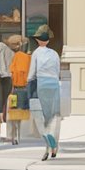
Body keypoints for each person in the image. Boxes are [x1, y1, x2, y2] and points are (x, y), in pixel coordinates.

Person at [28, 25, 61, 160]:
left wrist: (27, 83)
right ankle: (54, 147)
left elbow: (32, 73)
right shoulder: (54, 54)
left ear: (38, 40)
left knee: (43, 117)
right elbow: (58, 71)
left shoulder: (36, 53)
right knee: (54, 116)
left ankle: (47, 146)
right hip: (54, 85)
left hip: (42, 84)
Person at [6, 34, 31, 145]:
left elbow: (12, 72)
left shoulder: (17, 57)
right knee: (22, 113)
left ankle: (12, 136)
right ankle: (19, 136)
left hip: (15, 89)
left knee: (13, 113)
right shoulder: (30, 58)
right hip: (25, 89)